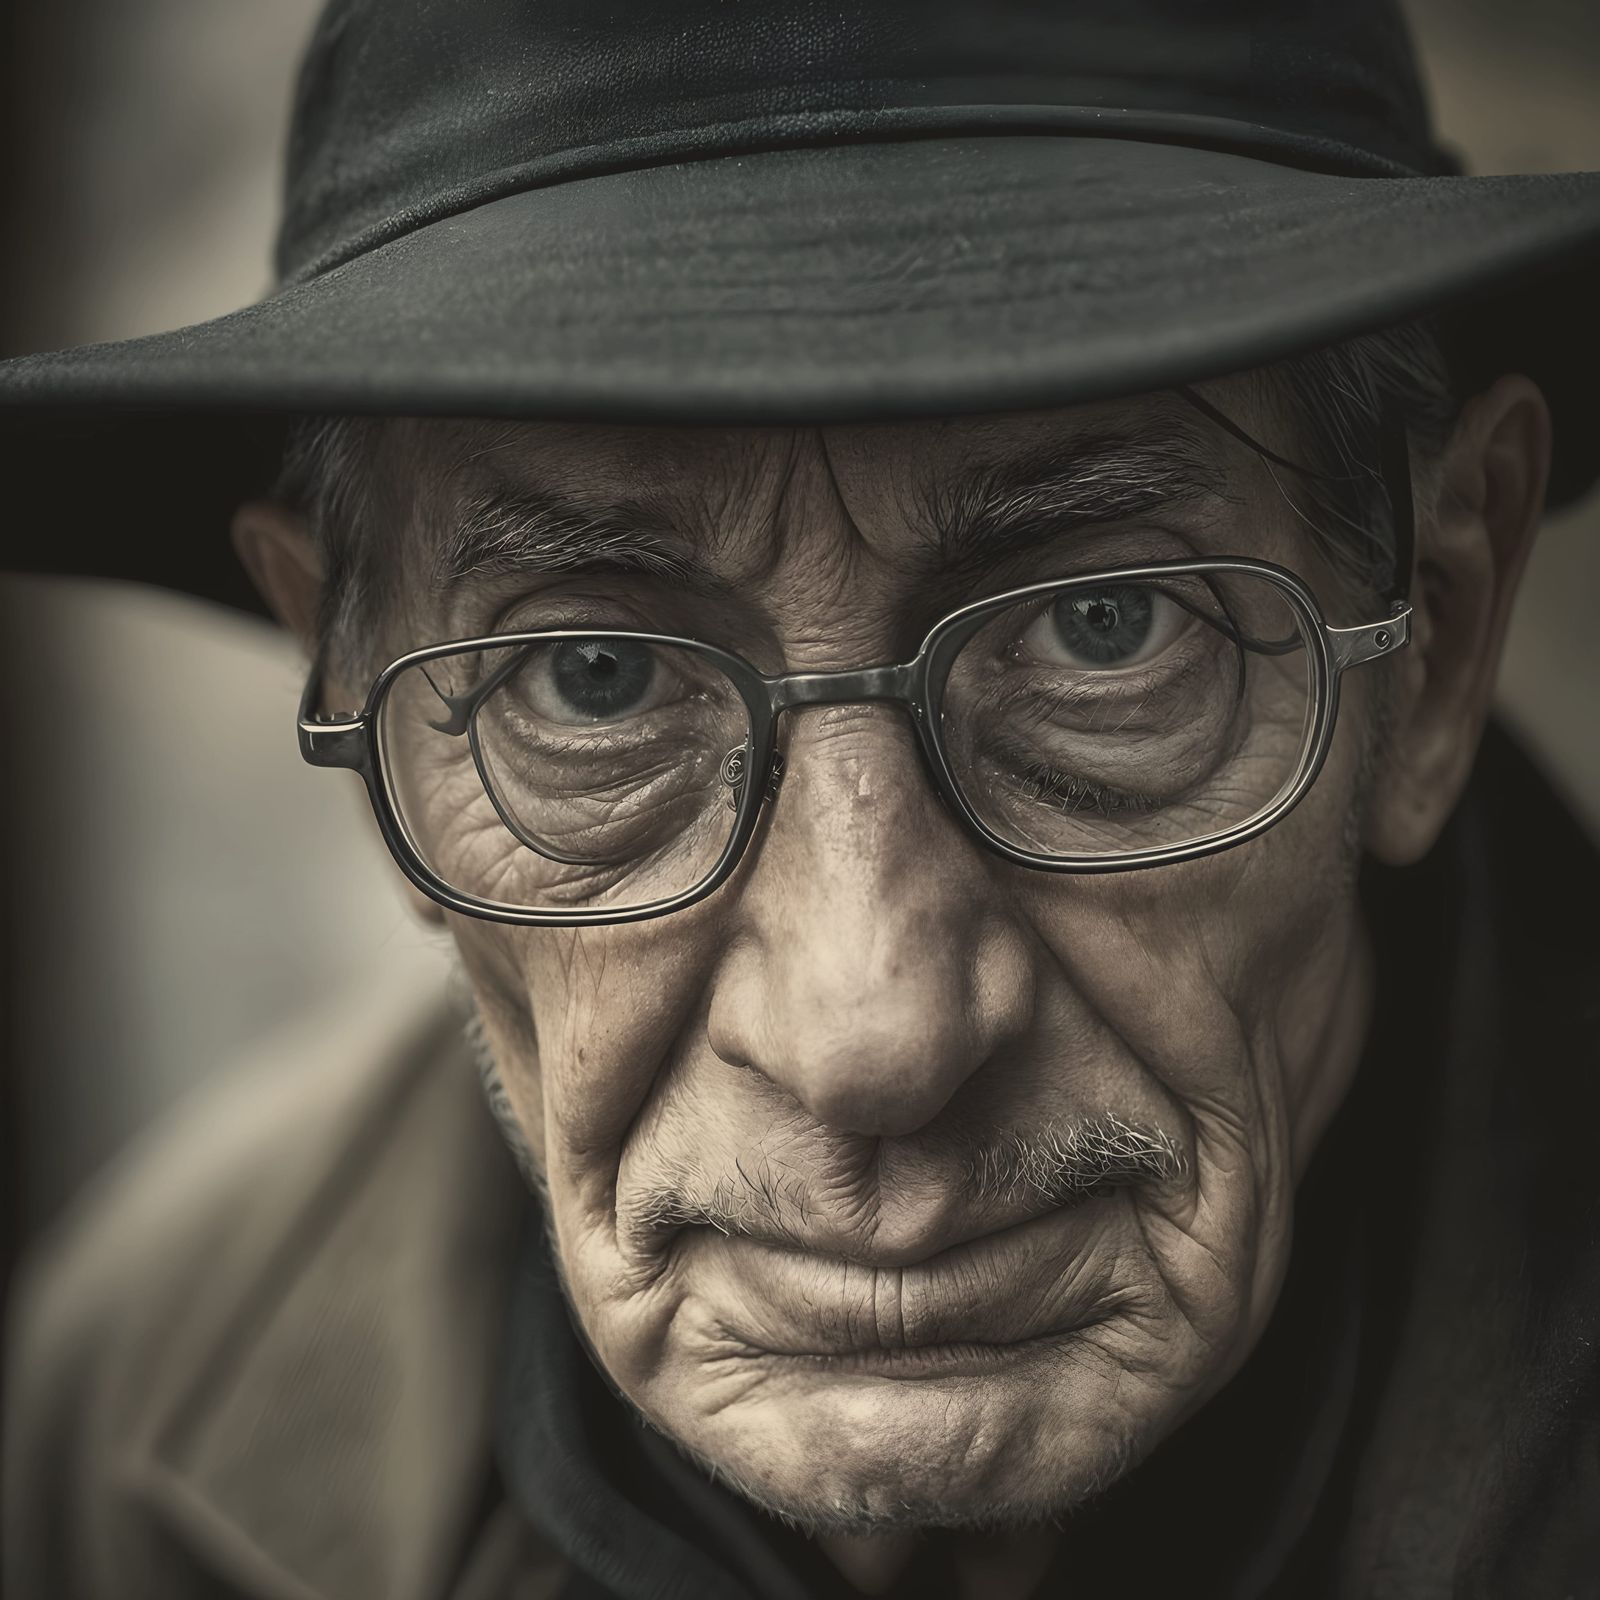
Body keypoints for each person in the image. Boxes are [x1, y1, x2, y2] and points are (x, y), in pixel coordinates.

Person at [5, 1, 1599, 1596]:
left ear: (1437, 638)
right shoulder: (140, 1415)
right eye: (596, 682)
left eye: (1099, 631)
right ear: (361, 710)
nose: (871, 1032)